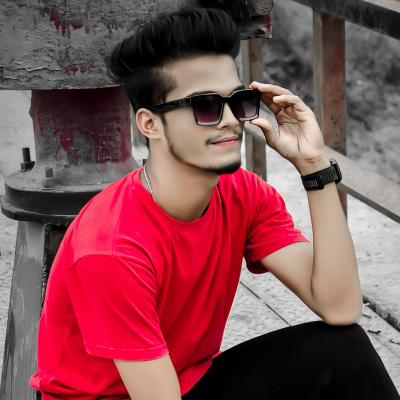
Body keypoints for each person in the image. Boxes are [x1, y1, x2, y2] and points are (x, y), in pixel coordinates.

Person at [30, 6, 400, 400]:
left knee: (344, 350)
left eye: (238, 100)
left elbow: (340, 308)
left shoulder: (243, 193)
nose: (229, 120)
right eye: (205, 105)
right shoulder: (112, 248)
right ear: (150, 124)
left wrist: (314, 166)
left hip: (186, 379)